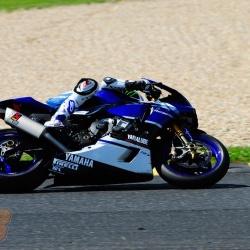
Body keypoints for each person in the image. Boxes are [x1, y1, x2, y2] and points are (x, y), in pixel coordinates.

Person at [44, 77, 149, 127]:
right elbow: (107, 81)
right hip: (55, 106)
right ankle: (57, 119)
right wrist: (137, 84)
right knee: (91, 84)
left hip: (75, 122)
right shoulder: (106, 93)